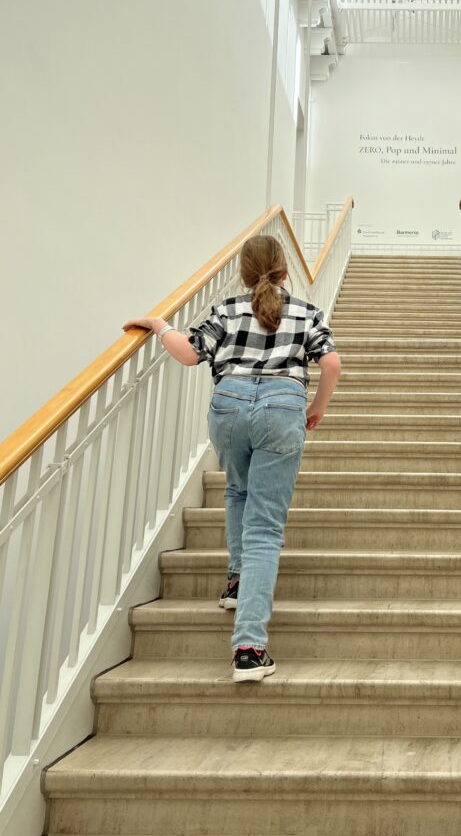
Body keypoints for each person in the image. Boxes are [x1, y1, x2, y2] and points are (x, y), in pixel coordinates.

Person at [124, 234, 341, 681]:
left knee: (238, 491)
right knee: (265, 526)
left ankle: (237, 580)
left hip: (229, 404)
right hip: (283, 406)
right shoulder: (305, 312)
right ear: (284, 271)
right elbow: (332, 364)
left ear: (245, 273)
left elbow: (189, 354)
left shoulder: (226, 309)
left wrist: (161, 325)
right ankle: (249, 648)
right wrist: (315, 407)